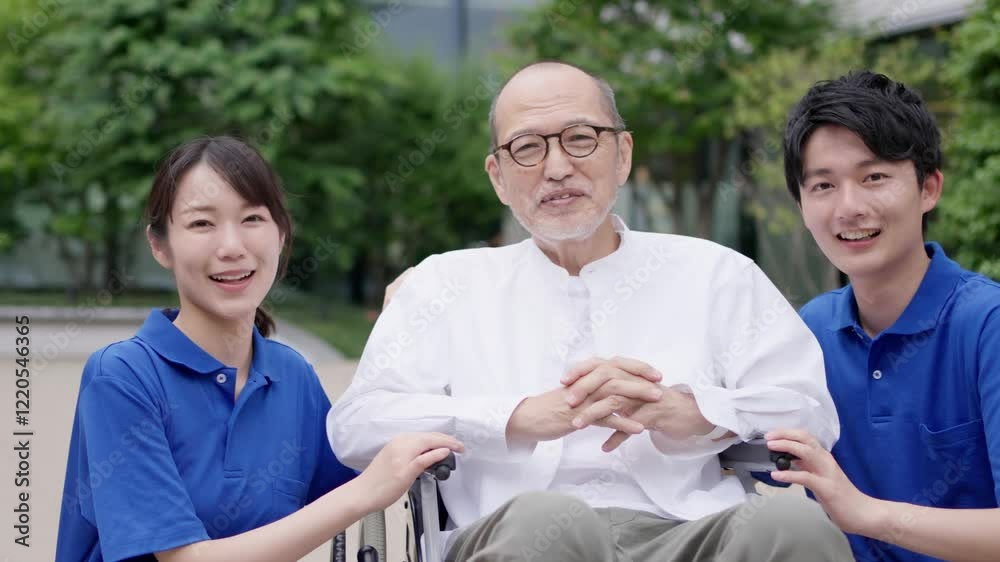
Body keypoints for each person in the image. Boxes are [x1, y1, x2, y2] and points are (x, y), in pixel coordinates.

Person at [329, 61, 852, 562]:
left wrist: (694, 413)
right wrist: (515, 418)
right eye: (527, 148)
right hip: (515, 534)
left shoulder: (717, 273)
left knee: (794, 525)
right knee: (549, 523)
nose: (558, 168)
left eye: (580, 139)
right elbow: (356, 425)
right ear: (498, 177)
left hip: (690, 532)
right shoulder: (444, 284)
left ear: (622, 154)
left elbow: (809, 411)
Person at [55, 136, 463, 562]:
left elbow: (376, 462)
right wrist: (364, 492)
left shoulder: (292, 376)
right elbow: (184, 560)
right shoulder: (122, 376)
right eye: (202, 224)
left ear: (281, 234)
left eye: (252, 218)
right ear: (160, 246)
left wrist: (415, 313)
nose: (232, 247)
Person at [766, 71, 1000, 561]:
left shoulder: (987, 325)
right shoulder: (810, 330)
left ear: (929, 188)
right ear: (802, 205)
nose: (849, 208)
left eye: (873, 177)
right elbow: (748, 458)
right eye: (823, 185)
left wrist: (865, 514)